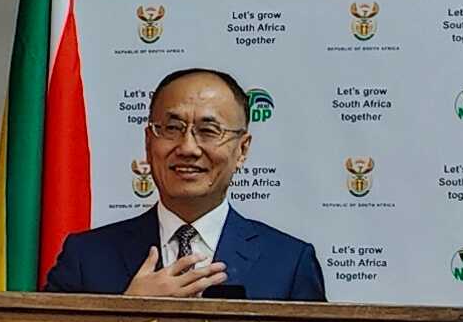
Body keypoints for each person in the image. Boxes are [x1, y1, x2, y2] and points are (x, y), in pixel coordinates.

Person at [44, 68, 326, 300]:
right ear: (148, 142)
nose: (188, 148)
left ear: (242, 150)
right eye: (172, 128)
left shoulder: (289, 263)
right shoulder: (86, 258)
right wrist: (125, 311)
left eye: (209, 131)